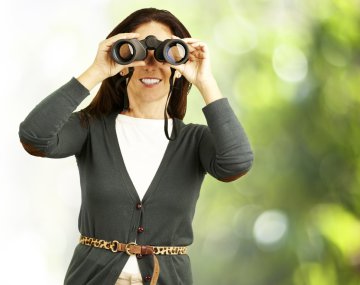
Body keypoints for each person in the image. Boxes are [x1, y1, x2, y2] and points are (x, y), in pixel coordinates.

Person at [19, 7, 254, 285]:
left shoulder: (194, 141)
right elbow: (35, 136)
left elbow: (236, 162)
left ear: (178, 66)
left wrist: (205, 81)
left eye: (165, 53)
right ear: (124, 60)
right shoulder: (91, 128)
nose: (150, 64)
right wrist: (97, 70)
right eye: (139, 51)